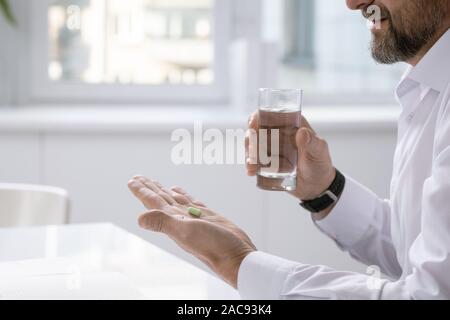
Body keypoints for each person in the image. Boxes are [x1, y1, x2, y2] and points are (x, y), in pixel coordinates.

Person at [128, 0, 450, 299]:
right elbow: (414, 254)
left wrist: (239, 263)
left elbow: (428, 293)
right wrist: (325, 189)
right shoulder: (424, 88)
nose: (353, 3)